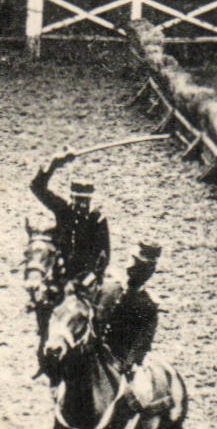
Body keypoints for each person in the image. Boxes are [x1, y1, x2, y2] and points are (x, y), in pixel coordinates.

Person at [30, 152, 110, 295]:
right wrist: (54, 163)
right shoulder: (64, 209)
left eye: (85, 201)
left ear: (90, 200)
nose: (81, 205)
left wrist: (90, 277)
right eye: (77, 200)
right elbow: (37, 187)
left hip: (85, 278)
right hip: (60, 272)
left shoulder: (97, 220)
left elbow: (104, 256)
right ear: (71, 198)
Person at [96, 243, 161, 377]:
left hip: (120, 360)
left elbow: (143, 342)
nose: (132, 268)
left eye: (140, 267)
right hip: (95, 354)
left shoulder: (148, 305)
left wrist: (129, 365)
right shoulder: (108, 290)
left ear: (150, 272)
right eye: (133, 261)